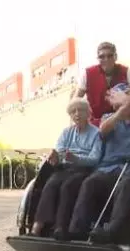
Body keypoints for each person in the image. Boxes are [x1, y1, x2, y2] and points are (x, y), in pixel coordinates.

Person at [68, 83, 130, 244]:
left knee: (126, 184)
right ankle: (78, 229)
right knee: (90, 183)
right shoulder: (109, 118)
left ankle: (114, 231)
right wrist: (123, 110)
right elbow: (103, 130)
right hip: (109, 168)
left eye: (126, 95)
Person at [30, 98, 103, 240]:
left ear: (88, 113)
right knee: (50, 184)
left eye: (80, 110)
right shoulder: (66, 132)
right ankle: (36, 228)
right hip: (65, 168)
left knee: (68, 186)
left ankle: (60, 227)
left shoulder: (96, 134)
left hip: (84, 170)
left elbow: (95, 159)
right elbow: (60, 151)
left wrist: (76, 158)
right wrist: (56, 157)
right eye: (73, 112)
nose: (77, 114)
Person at [72, 41, 130, 126]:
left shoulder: (126, 72)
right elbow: (74, 103)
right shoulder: (88, 74)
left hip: (122, 125)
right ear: (97, 59)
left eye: (110, 56)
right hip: (96, 126)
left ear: (115, 57)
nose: (106, 60)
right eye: (102, 57)